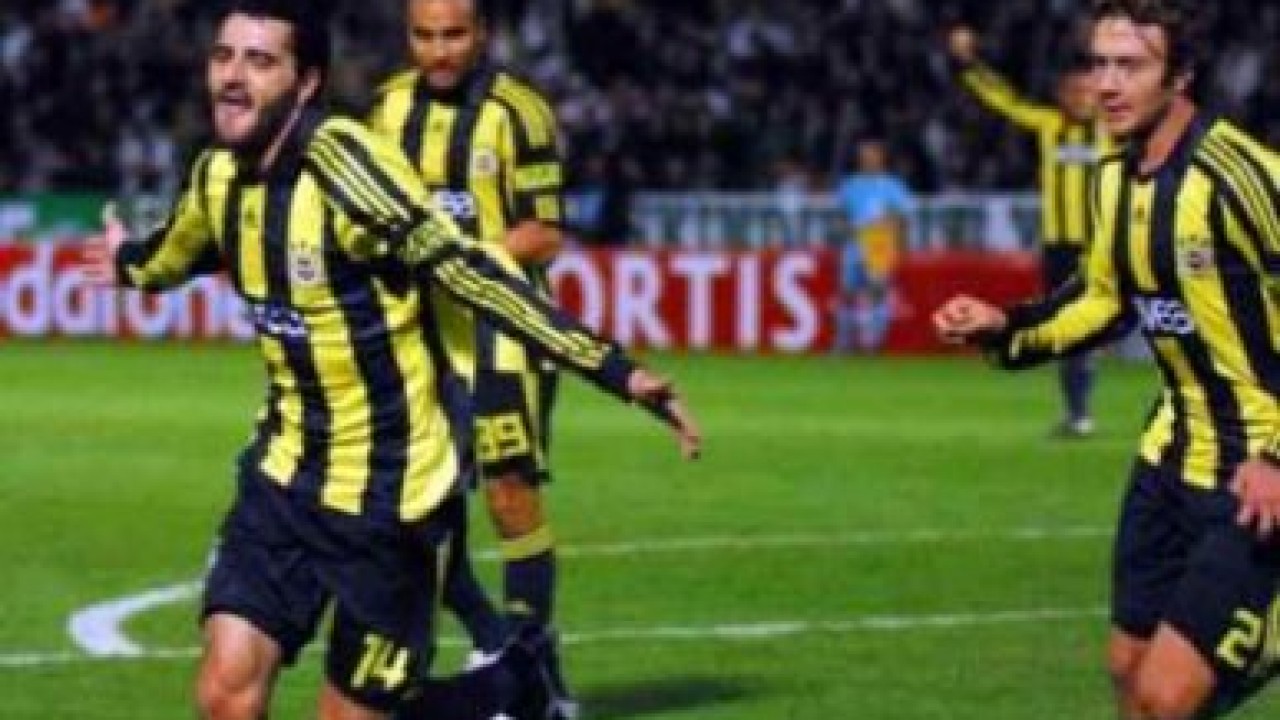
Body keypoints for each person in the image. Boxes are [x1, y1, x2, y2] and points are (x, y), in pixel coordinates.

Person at [82, 2, 701, 719]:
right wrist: (125, 262)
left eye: (260, 61)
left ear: (306, 82)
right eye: (224, 56)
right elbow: (176, 249)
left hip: (390, 497)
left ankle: (514, 684)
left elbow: (472, 273)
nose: (232, 76)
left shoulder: (348, 168)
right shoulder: (217, 174)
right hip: (283, 476)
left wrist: (617, 371)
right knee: (225, 696)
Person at [934, 1, 1280, 717]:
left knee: (1167, 696)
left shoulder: (1239, 173)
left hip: (1256, 469)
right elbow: (1102, 300)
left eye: (1132, 66)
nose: (1108, 84)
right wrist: (1005, 329)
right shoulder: (1113, 177)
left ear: (1180, 76)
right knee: (1127, 671)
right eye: (1100, 64)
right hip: (1169, 456)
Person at [367, 1, 579, 712]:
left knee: (509, 493)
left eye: (454, 34)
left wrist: (455, 257)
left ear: (482, 33)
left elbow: (545, 233)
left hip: (503, 332)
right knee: (412, 505)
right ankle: (501, 642)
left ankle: (530, 669)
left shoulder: (520, 114)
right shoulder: (386, 109)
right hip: (417, 335)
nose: (439, 51)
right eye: (424, 35)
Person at [948, 23, 1112, 437]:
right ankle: (1078, 412)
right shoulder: (1048, 124)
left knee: (1093, 328)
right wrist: (969, 64)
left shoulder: (1113, 131)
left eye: (1086, 92)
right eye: (1072, 92)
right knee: (1065, 330)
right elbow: (1003, 99)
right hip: (1058, 246)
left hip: (1100, 246)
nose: (1080, 98)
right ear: (1061, 96)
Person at [832, 137, 913, 354]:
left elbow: (903, 217)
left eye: (872, 156)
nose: (867, 160)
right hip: (854, 243)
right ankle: (844, 343)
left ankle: (874, 344)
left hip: (880, 243)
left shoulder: (892, 185)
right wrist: (843, 231)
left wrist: (899, 244)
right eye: (864, 156)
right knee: (847, 292)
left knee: (877, 291)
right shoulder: (850, 185)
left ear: (881, 158)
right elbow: (840, 215)